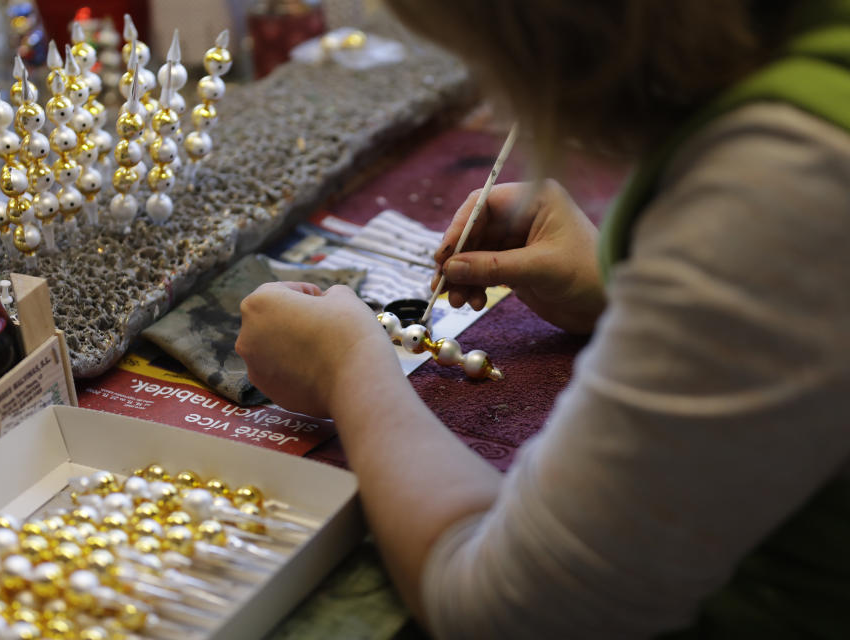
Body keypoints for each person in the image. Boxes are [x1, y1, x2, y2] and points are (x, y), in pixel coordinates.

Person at [236, 1, 850, 637]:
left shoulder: (787, 184)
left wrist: (347, 371)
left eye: (487, 59)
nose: (503, 102)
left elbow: (517, 612)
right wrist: (632, 293)